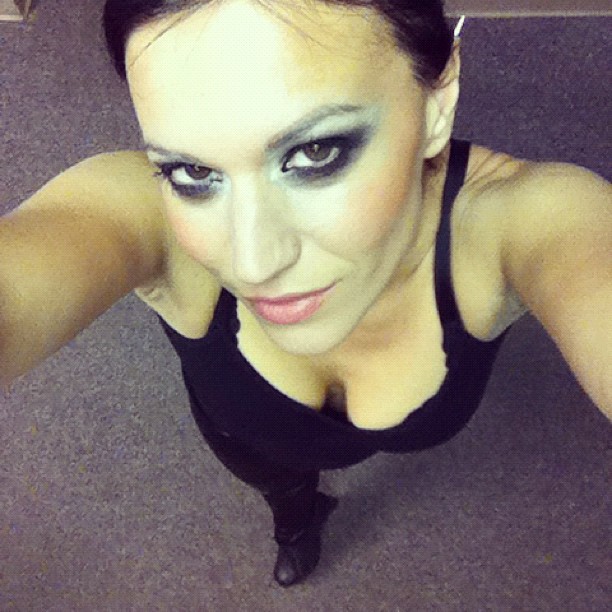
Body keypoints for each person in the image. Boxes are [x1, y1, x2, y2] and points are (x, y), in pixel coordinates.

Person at [1, 0, 610, 588]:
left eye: (315, 152)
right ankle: (295, 525)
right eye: (192, 172)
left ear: (437, 100)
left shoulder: (526, 218)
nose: (252, 263)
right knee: (280, 488)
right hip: (254, 447)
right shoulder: (147, 213)